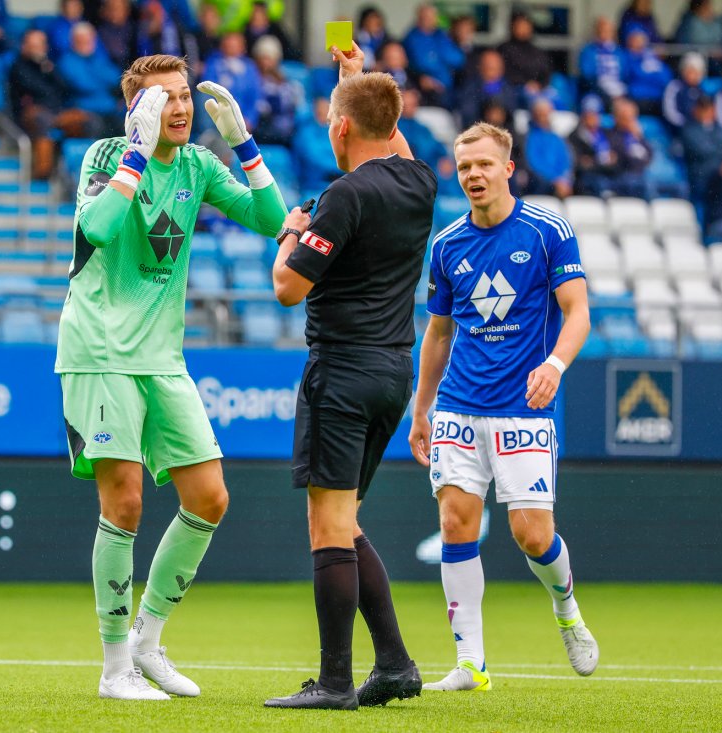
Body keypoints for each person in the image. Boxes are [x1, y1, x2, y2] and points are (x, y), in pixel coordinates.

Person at [55, 53, 287, 701]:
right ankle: (113, 668)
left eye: (184, 96)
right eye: (165, 100)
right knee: (124, 499)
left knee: (209, 496)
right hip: (99, 349)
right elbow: (95, 227)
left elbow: (273, 222)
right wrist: (134, 150)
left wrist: (244, 144)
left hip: (163, 358)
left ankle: (148, 641)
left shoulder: (197, 165)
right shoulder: (105, 156)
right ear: (137, 111)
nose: (181, 108)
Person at [264, 41, 434, 711]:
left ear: (339, 128)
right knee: (348, 519)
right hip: (393, 371)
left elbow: (286, 287)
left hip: (341, 370)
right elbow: (388, 127)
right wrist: (354, 81)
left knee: (328, 525)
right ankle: (393, 663)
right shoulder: (418, 180)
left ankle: (335, 681)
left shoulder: (341, 197)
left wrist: (289, 230)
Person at [409, 121, 597, 693]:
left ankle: (567, 612)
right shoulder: (446, 246)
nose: (473, 176)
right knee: (454, 523)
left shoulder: (547, 231)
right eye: (464, 168)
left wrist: (555, 366)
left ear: (507, 168)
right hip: (459, 407)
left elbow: (578, 312)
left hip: (523, 408)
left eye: (484, 165)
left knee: (532, 535)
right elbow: (438, 333)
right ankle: (471, 665)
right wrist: (422, 408)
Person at [9, 29, 100, 179]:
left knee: (89, 121)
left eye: (40, 45)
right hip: (32, 114)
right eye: (33, 45)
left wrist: (47, 70)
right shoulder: (18, 66)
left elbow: (63, 88)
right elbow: (36, 90)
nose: (38, 49)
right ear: (24, 46)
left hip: (56, 113)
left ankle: (85, 172)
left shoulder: (49, 65)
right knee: (43, 120)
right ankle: (43, 172)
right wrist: (44, 71)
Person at [57, 22, 123, 135]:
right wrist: (101, 80)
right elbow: (82, 85)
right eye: (82, 41)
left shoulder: (99, 59)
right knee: (96, 126)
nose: (87, 44)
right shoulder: (66, 61)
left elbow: (117, 78)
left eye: (90, 40)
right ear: (74, 41)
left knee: (126, 124)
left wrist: (96, 78)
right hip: (82, 109)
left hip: (109, 108)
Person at [402, 3, 463, 107]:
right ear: (419, 18)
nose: (430, 20)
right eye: (427, 17)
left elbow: (458, 59)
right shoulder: (411, 38)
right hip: (425, 89)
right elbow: (421, 63)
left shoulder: (441, 35)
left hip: (448, 86)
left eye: (433, 17)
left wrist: (439, 56)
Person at [201, 32, 262, 132]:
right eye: (228, 45)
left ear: (242, 47)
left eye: (234, 46)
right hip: (217, 118)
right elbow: (206, 90)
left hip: (243, 120)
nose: (231, 49)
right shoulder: (213, 64)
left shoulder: (250, 68)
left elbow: (255, 97)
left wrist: (249, 120)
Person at [251, 35, 299, 147]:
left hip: (282, 130)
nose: (265, 62)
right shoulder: (252, 77)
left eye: (269, 58)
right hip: (259, 128)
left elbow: (291, 103)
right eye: (262, 58)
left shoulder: (286, 80)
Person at [681, 95, 722, 205]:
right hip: (700, 175)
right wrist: (720, 150)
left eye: (710, 109)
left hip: (720, 175)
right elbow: (702, 151)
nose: (707, 113)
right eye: (704, 109)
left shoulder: (719, 129)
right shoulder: (689, 130)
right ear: (696, 110)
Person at [524, 97, 573, 198]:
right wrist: (554, 180)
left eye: (546, 113)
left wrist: (563, 179)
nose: (543, 117)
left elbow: (566, 161)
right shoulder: (529, 137)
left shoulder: (557, 138)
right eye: (540, 113)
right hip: (542, 183)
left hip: (560, 183)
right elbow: (533, 162)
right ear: (534, 114)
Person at [457, 50, 518, 128]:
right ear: (481, 68)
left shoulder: (508, 88)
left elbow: (512, 110)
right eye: (489, 68)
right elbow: (467, 113)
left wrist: (503, 114)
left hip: (503, 130)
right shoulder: (471, 87)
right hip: (478, 130)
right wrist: (485, 115)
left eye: (496, 68)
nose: (492, 73)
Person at [608, 96, 654, 198]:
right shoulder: (611, 135)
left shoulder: (637, 136)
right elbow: (624, 159)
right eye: (626, 118)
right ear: (617, 118)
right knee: (647, 186)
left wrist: (638, 137)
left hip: (639, 175)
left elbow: (650, 154)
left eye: (632, 117)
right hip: (622, 176)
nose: (630, 121)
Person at [498, 11, 550, 93]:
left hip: (539, 88)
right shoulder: (504, 49)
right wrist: (525, 83)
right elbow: (506, 73)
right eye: (520, 26)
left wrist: (540, 84)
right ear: (513, 27)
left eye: (526, 26)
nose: (523, 29)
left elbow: (546, 72)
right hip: (515, 89)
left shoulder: (537, 51)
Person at [623, 29, 672, 116]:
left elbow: (666, 78)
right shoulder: (626, 57)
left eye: (641, 40)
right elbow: (631, 75)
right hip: (638, 99)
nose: (638, 44)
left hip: (658, 99)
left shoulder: (653, 58)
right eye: (635, 40)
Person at [579, 16, 627, 100]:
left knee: (629, 108)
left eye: (607, 31)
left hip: (619, 92)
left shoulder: (620, 52)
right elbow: (588, 76)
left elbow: (626, 75)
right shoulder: (588, 51)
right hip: (595, 92)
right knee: (590, 106)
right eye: (601, 31)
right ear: (596, 32)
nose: (604, 34)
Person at [663, 52, 707, 128]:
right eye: (692, 71)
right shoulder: (675, 86)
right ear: (684, 70)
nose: (695, 75)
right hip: (680, 129)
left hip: (697, 128)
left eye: (698, 72)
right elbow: (669, 112)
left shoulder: (701, 90)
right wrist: (686, 124)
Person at [97, 0, 135, 69]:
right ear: (104, 12)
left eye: (118, 9)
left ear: (127, 11)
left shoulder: (135, 31)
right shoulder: (99, 33)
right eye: (111, 9)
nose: (114, 13)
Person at [356, 5, 390, 71]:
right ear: (364, 22)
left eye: (377, 23)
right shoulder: (356, 40)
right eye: (370, 21)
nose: (374, 24)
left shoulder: (388, 41)